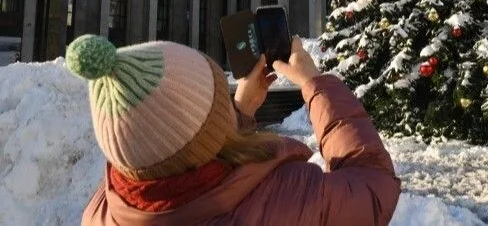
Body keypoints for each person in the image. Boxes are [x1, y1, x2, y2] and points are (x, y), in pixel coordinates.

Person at [66, 34, 401, 225]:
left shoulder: (100, 213)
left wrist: (238, 113)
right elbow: (373, 186)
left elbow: (183, 157)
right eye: (218, 101)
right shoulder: (287, 198)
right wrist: (317, 84)